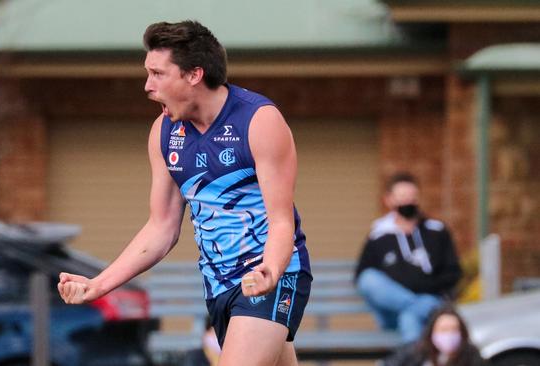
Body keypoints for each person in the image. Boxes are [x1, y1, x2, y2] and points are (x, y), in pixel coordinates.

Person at [57, 20, 312, 366]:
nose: (147, 86)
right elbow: (161, 227)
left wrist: (271, 268)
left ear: (194, 74)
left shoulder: (258, 122)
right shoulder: (164, 132)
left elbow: (281, 222)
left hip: (273, 276)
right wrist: (98, 285)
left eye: (158, 74)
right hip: (219, 287)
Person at [354, 172, 462, 343]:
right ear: (389, 200)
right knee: (368, 278)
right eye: (402, 197)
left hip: (430, 301)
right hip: (394, 311)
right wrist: (410, 298)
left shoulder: (437, 231)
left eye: (413, 196)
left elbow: (453, 273)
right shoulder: (378, 235)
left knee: (409, 318)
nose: (408, 201)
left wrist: (426, 286)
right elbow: (363, 278)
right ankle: (414, 306)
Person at [382, 305, 488, 366]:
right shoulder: (415, 352)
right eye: (443, 330)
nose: (449, 335)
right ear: (432, 332)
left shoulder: (472, 356)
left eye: (454, 329)